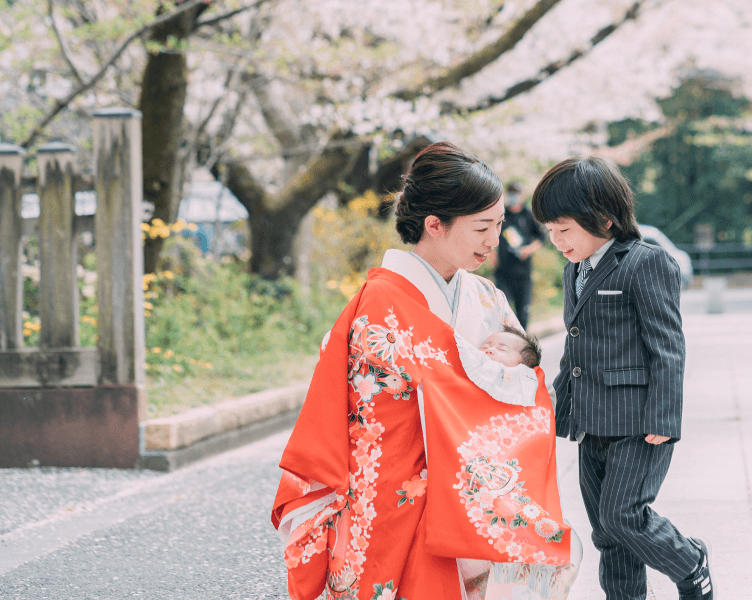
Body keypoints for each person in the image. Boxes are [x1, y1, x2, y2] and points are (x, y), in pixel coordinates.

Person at [271, 142, 578, 600]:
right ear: (434, 225)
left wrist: (517, 363)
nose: (494, 240)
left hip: (470, 499)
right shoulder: (377, 305)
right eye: (481, 227)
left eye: (497, 225)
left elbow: (526, 386)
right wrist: (470, 385)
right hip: (392, 493)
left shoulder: (487, 297)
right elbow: (375, 417)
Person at [531, 156, 714, 600]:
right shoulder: (574, 270)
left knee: (623, 516)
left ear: (605, 219)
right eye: (550, 232)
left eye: (564, 229)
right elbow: (574, 350)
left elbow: (668, 346)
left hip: (638, 422)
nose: (556, 241)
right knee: (607, 533)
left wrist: (665, 418)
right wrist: (554, 409)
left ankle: (690, 562)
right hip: (590, 422)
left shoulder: (646, 263)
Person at [494, 181, 545, 327]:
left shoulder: (528, 215)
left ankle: (522, 345)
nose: (513, 196)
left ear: (522, 195)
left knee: (523, 313)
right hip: (503, 271)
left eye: (516, 193)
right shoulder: (502, 214)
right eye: (511, 193)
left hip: (523, 272)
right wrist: (492, 254)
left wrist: (528, 250)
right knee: (501, 310)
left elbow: (541, 237)